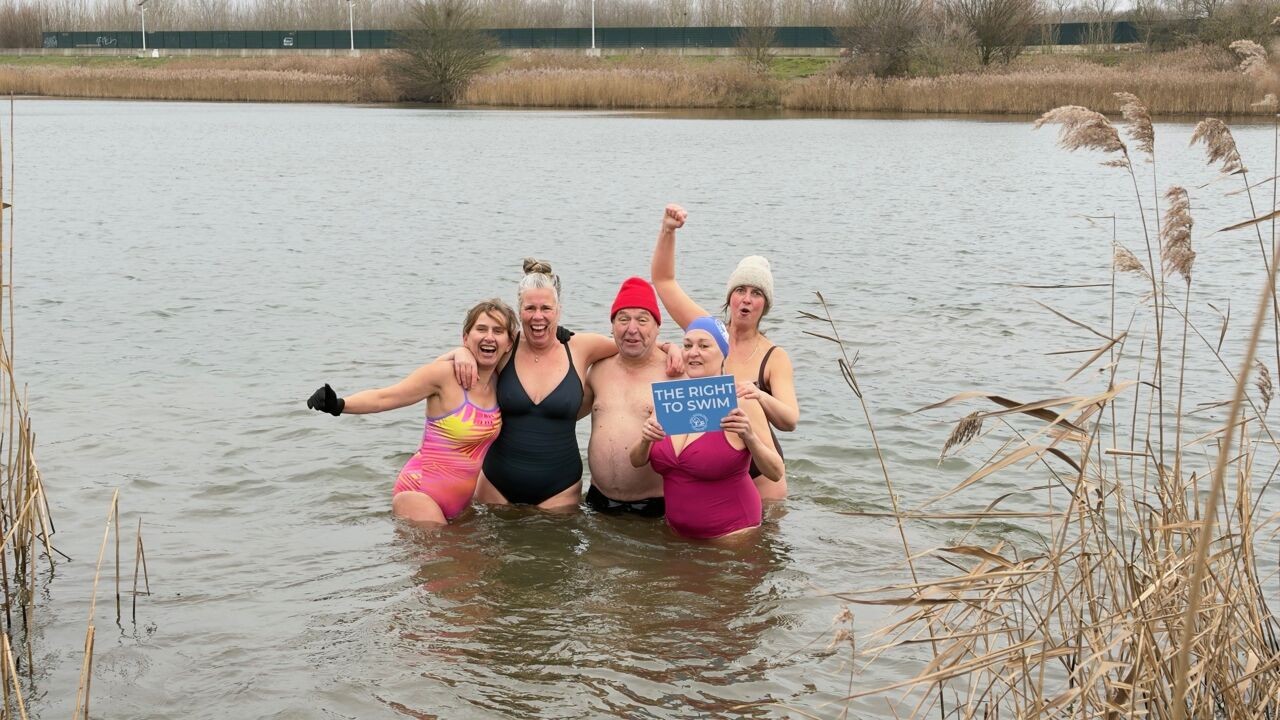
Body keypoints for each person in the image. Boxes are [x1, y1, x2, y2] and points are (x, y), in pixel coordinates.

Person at [454, 259, 681, 510]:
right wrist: (462, 352)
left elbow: (632, 343)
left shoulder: (581, 347)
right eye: (530, 308)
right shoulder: (505, 347)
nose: (538, 316)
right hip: (498, 485)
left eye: (546, 308)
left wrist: (671, 348)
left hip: (561, 489)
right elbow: (474, 349)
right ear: (519, 311)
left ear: (558, 310)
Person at [305, 299, 517, 524]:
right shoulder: (444, 376)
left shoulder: (501, 381)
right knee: (447, 559)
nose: (489, 337)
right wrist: (338, 404)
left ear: (509, 343)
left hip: (461, 505)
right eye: (481, 329)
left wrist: (559, 336)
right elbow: (385, 397)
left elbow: (538, 353)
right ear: (466, 337)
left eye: (498, 331)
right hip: (419, 494)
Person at [650, 204, 798, 500]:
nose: (746, 299)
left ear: (765, 305)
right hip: (712, 466)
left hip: (760, 472)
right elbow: (664, 282)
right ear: (729, 297)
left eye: (756, 294)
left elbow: (789, 420)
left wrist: (758, 395)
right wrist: (668, 230)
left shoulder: (773, 356)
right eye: (740, 290)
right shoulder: (707, 333)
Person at [629, 316, 783, 539]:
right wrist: (645, 439)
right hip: (677, 537)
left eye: (704, 345)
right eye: (688, 345)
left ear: (723, 352)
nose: (693, 352)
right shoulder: (672, 400)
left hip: (734, 536)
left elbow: (776, 472)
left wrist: (750, 437)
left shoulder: (742, 402)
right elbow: (636, 460)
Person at [580, 277, 671, 517]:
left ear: (657, 327)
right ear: (612, 327)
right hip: (597, 502)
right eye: (623, 320)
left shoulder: (674, 373)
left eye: (642, 320)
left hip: (655, 506)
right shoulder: (598, 369)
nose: (632, 329)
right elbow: (564, 414)